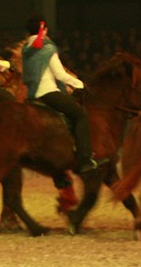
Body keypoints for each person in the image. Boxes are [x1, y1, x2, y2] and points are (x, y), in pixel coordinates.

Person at [21, 16, 97, 175]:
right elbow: (60, 75)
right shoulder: (47, 47)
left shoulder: (26, 48)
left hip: (31, 94)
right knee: (80, 114)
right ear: (45, 30)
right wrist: (80, 84)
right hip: (47, 92)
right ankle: (84, 159)